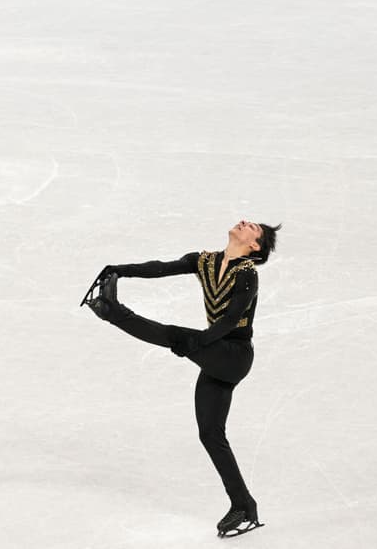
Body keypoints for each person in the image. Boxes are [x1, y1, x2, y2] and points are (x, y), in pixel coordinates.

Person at [83, 220, 281, 538]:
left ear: (254, 246)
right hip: (214, 355)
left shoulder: (247, 274)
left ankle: (111, 311)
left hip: (234, 356)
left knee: (176, 335)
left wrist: (196, 343)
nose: (244, 222)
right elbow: (161, 268)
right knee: (210, 434)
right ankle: (244, 506)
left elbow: (231, 320)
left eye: (252, 227)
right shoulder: (204, 261)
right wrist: (119, 270)